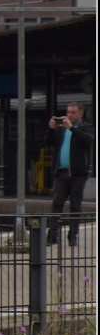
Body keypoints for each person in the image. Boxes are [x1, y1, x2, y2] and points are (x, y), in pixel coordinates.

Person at [46, 102, 93, 246]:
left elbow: (88, 141)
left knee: (75, 205)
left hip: (78, 173)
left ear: (81, 114)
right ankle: (52, 236)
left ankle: (73, 236)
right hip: (61, 172)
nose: (69, 115)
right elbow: (49, 143)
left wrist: (72, 128)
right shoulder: (62, 129)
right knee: (57, 203)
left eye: (73, 112)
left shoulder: (87, 128)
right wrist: (51, 129)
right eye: (68, 112)